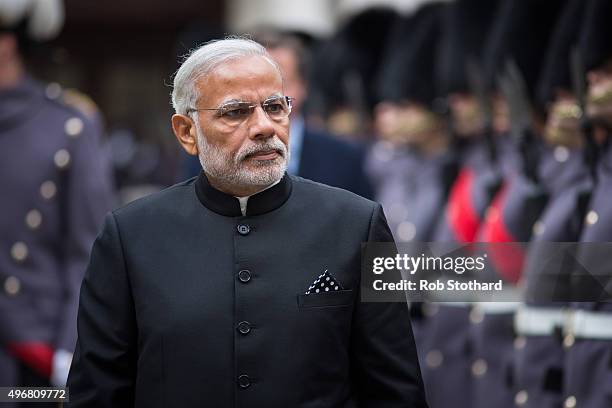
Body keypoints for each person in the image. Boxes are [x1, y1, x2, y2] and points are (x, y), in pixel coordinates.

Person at [66, 37, 428, 407]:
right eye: (235, 112)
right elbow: (96, 392)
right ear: (186, 132)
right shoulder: (129, 236)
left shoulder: (360, 224)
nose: (264, 127)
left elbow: (396, 393)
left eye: (274, 107)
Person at [0, 0, 114, 401]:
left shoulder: (66, 123)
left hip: (31, 349)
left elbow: (86, 251)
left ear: (7, 44)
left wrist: (70, 350)